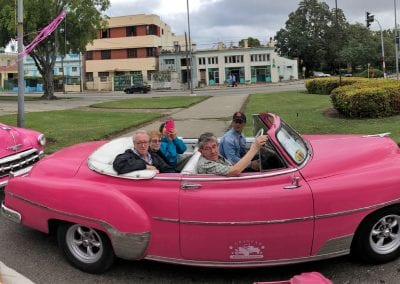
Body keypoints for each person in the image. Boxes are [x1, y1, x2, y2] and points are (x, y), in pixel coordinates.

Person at [196, 132, 267, 176]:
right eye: (207, 149)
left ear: (217, 145)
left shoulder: (214, 157)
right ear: (200, 151)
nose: (213, 151)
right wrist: (254, 148)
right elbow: (235, 171)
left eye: (214, 146)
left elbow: (232, 167)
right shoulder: (205, 164)